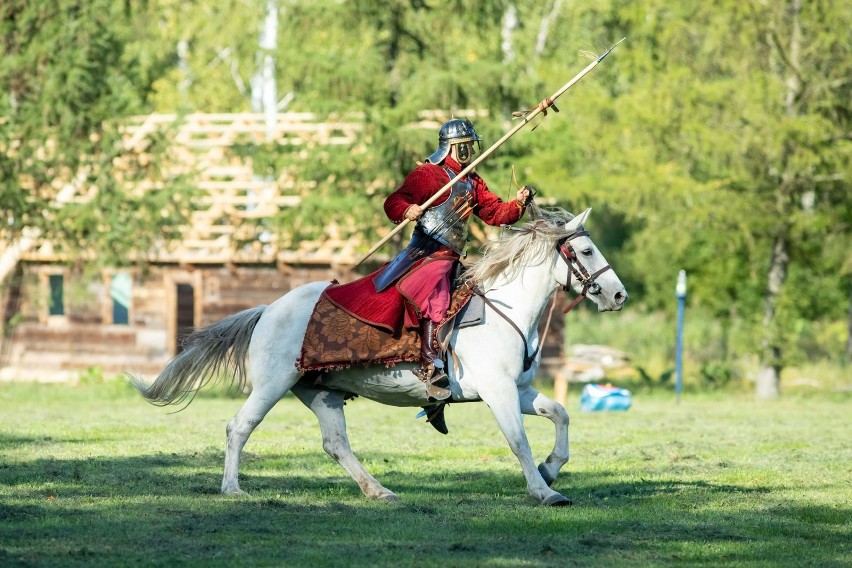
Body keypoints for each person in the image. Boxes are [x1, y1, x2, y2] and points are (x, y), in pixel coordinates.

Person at [374, 118, 532, 398]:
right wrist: (407, 209)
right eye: (467, 145)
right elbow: (394, 201)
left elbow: (494, 212)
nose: (471, 150)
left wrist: (518, 203)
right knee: (435, 298)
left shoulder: (471, 180)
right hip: (427, 253)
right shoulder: (428, 175)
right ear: (455, 147)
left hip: (453, 258)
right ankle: (430, 365)